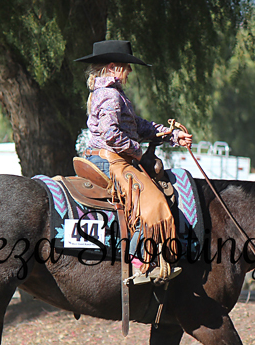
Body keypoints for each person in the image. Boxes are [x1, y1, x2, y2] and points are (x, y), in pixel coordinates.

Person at [75, 40, 193, 283]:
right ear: (112, 67)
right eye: (126, 66)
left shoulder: (112, 94)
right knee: (152, 202)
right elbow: (111, 135)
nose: (129, 70)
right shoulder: (110, 95)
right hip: (112, 160)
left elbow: (138, 125)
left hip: (112, 157)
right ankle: (138, 262)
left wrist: (172, 135)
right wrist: (138, 152)